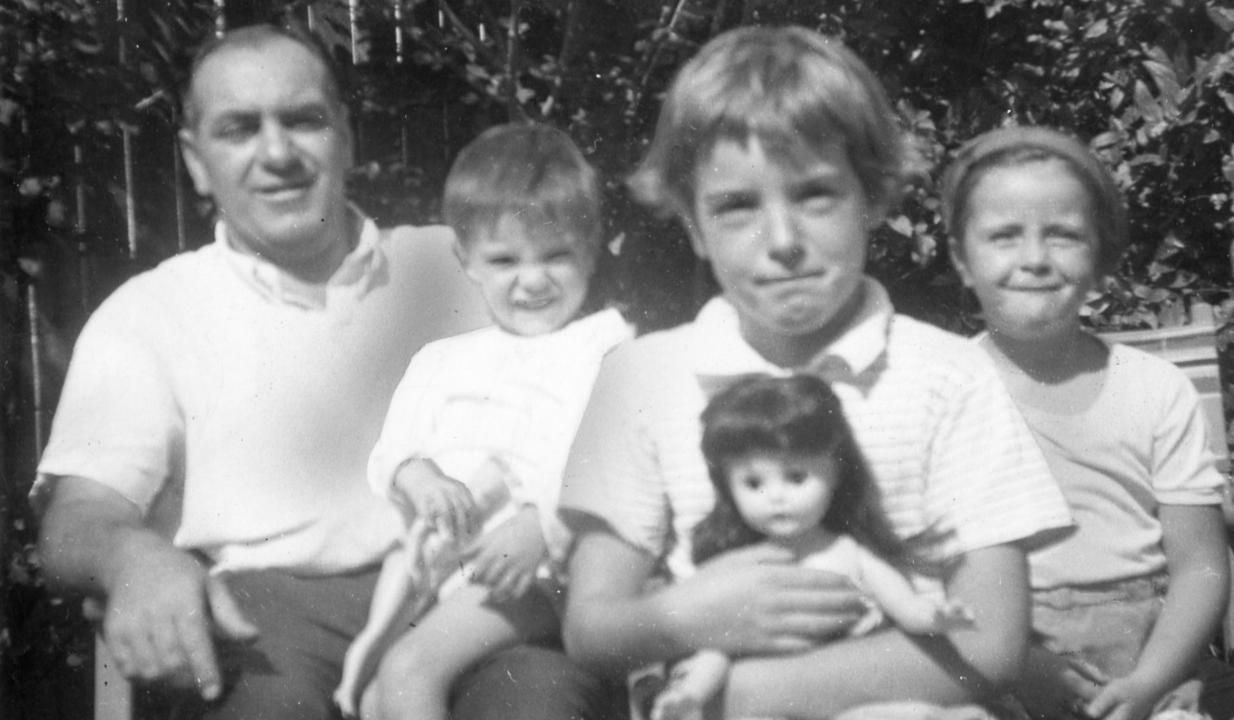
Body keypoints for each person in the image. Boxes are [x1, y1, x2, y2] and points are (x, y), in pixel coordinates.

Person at [32, 25, 610, 720]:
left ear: (346, 136)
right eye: (239, 129)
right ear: (194, 160)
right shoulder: (150, 314)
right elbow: (79, 519)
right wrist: (131, 559)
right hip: (273, 614)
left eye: (303, 120)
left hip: (471, 591)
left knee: (540, 699)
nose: (277, 154)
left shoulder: (468, 266)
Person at [557, 25, 1074, 720]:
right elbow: (590, 628)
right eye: (737, 206)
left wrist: (745, 696)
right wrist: (687, 618)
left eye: (815, 195)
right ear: (691, 224)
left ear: (874, 198)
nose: (782, 241)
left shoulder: (948, 376)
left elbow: (992, 643)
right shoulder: (641, 378)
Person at [941, 126, 1234, 720]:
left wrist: (1152, 679)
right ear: (961, 260)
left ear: (1100, 261)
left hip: (1155, 653)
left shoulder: (1153, 389)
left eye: (1065, 235)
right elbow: (918, 566)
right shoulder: (940, 391)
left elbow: (1199, 567)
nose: (1035, 258)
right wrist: (1019, 662)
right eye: (1003, 236)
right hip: (998, 651)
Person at [334, 121, 633, 720]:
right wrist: (419, 476)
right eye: (504, 260)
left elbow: (612, 461)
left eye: (556, 255)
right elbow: (392, 453)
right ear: (466, 260)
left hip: (550, 574)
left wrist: (541, 525)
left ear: (593, 246)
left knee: (410, 670)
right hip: (451, 573)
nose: (532, 279)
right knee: (372, 698)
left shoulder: (605, 347)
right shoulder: (445, 360)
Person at [648, 374, 975, 720]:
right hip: (768, 688)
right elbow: (717, 646)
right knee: (715, 657)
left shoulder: (850, 553)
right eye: (753, 482)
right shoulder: (742, 566)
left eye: (797, 477)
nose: (776, 496)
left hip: (852, 685)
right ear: (729, 490)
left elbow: (905, 606)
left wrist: (936, 616)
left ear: (835, 475)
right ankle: (687, 701)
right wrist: (691, 691)